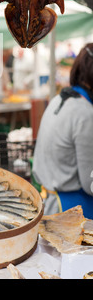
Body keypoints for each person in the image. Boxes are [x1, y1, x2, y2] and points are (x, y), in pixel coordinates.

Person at [32, 43, 93, 218]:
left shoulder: (59, 99)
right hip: (71, 211)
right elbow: (90, 183)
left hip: (49, 204)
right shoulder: (85, 113)